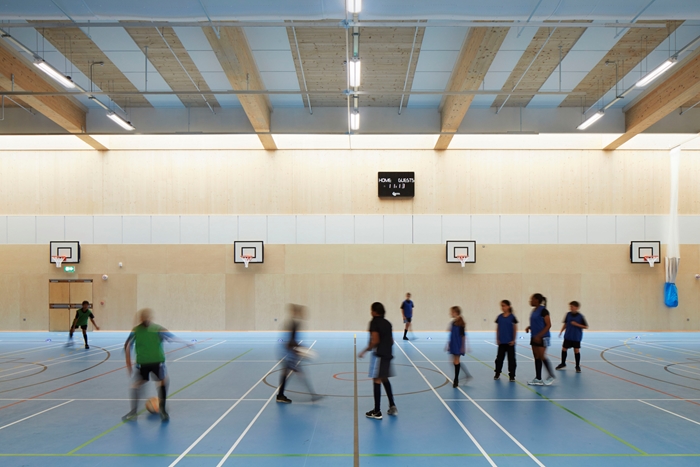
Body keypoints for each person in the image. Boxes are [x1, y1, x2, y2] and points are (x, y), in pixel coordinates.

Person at [122, 308, 183, 422]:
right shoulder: (155, 329)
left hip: (148, 363)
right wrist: (185, 343)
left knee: (139, 384)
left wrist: (128, 362)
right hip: (152, 362)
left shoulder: (139, 330)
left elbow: (127, 345)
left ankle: (135, 412)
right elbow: (171, 337)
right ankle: (161, 410)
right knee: (161, 382)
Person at [359, 302, 397, 420]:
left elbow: (375, 340)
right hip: (388, 354)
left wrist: (364, 351)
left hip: (379, 355)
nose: (371, 312)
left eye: (372, 310)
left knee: (376, 380)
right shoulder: (388, 323)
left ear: (375, 312)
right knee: (384, 378)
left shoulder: (374, 322)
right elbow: (391, 341)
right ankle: (392, 406)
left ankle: (377, 411)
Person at [276, 304, 320, 404]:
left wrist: (300, 349)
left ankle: (280, 395)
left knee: (286, 374)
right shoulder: (293, 324)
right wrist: (300, 350)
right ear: (297, 313)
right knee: (300, 374)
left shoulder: (292, 323)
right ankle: (313, 395)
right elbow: (288, 342)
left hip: (288, 353)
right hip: (288, 355)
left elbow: (289, 341)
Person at [525, 293, 555, 386]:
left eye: (532, 299)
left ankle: (551, 376)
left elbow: (548, 325)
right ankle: (538, 378)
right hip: (534, 336)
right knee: (536, 357)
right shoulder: (534, 311)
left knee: (542, 356)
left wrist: (539, 336)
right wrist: (530, 327)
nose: (530, 301)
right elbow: (538, 323)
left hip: (543, 337)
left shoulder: (544, 311)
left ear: (537, 300)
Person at [556, 301, 588, 373]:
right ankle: (563, 363)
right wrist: (561, 331)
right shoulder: (568, 314)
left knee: (576, 350)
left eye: (572, 306)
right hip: (568, 335)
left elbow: (586, 326)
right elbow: (565, 324)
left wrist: (577, 324)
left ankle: (577, 366)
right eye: (570, 306)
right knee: (564, 349)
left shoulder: (580, 316)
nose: (570, 308)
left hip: (576, 336)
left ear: (576, 307)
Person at [447, 306, 471, 388]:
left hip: (458, 344)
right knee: (453, 361)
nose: (450, 313)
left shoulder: (461, 323)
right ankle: (466, 374)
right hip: (453, 343)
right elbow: (451, 334)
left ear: (456, 313)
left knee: (456, 361)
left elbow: (463, 336)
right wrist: (449, 343)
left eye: (452, 312)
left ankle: (456, 380)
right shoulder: (453, 322)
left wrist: (463, 346)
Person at [494, 300, 518, 382]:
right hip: (502, 342)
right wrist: (497, 338)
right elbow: (498, 328)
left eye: (504, 305)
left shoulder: (512, 317)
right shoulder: (499, 317)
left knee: (511, 360)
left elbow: (514, 329)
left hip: (510, 343)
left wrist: (513, 340)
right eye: (501, 306)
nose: (502, 307)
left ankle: (512, 375)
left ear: (508, 306)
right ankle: (497, 373)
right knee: (499, 359)